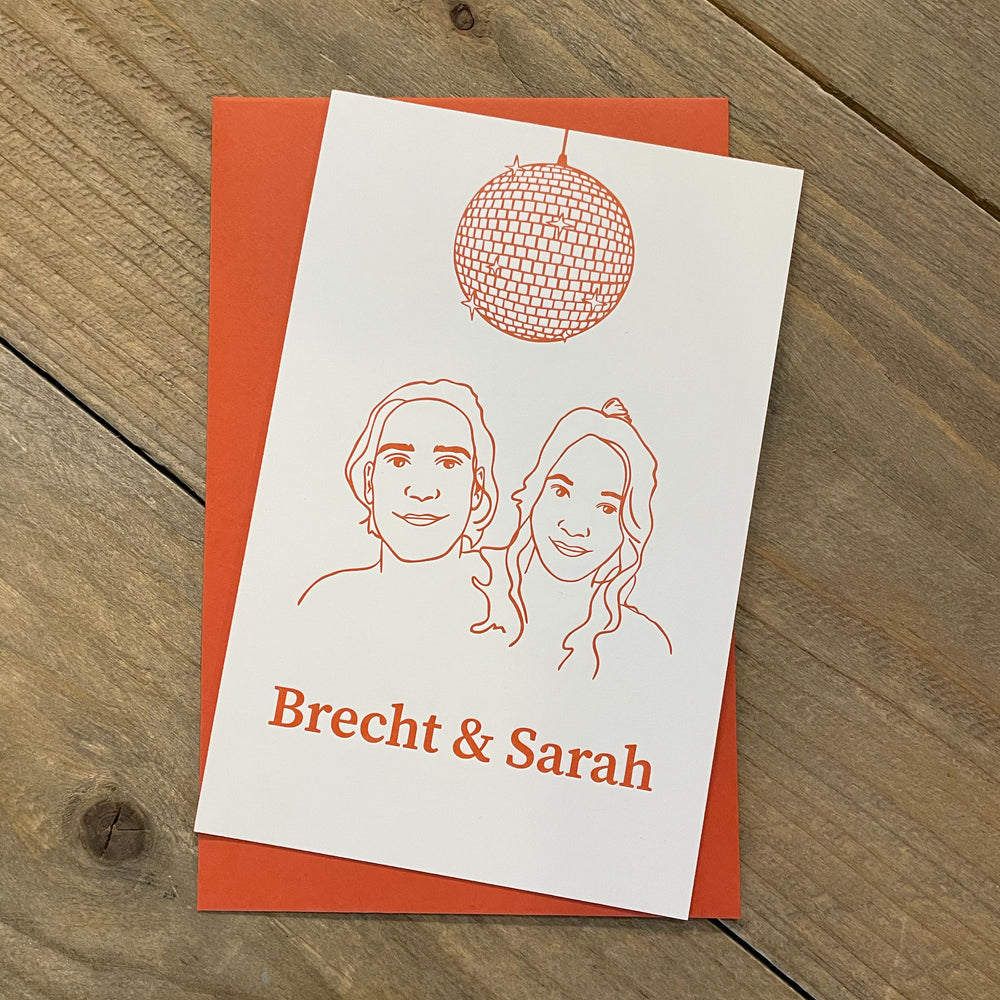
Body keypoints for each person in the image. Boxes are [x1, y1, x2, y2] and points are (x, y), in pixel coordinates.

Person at [474, 398, 671, 679]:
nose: (575, 528)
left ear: (629, 528)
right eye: (561, 492)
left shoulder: (641, 643)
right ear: (534, 494)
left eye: (607, 508)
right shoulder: (466, 579)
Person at [298, 379, 498, 626]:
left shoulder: (503, 604)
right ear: (369, 481)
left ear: (477, 487)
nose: (422, 491)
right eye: (399, 462)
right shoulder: (327, 603)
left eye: (448, 464)